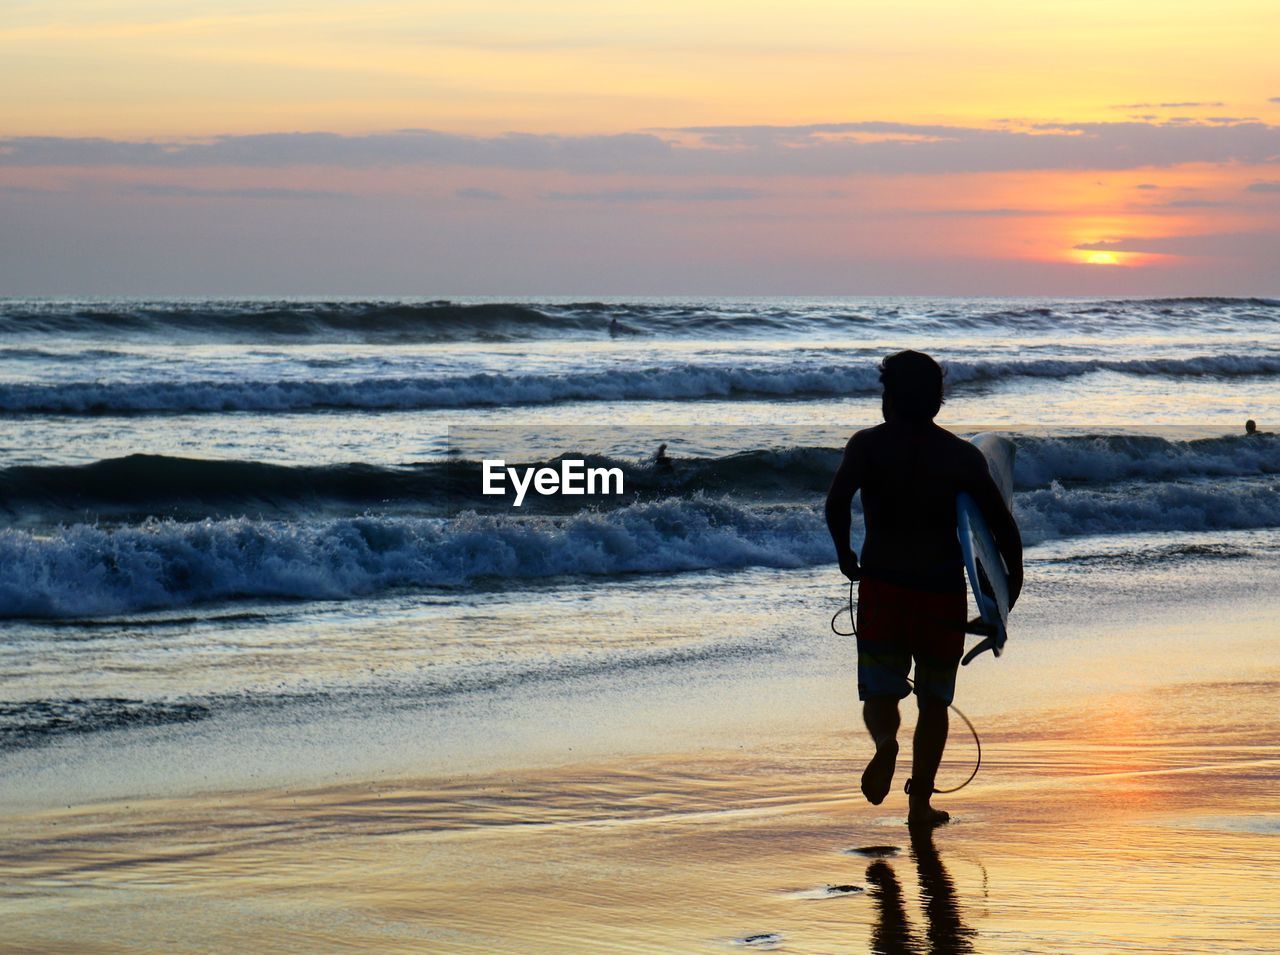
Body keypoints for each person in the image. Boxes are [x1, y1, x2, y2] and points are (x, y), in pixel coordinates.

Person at [825, 350, 1023, 828]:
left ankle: (885, 745)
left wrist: (844, 554)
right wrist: (1004, 600)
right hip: (940, 594)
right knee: (934, 701)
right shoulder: (960, 456)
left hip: (883, 586)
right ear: (937, 401)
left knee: (880, 693)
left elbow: (835, 504)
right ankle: (920, 804)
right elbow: (1003, 531)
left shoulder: (867, 446)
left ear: (887, 398)